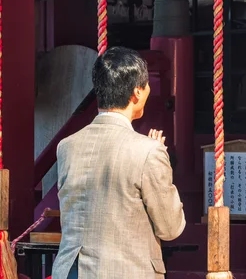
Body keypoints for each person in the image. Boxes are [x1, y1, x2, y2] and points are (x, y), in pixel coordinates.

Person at [52, 47, 186, 279]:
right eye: (146, 86)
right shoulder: (147, 151)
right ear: (136, 93)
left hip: (71, 271)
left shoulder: (67, 146)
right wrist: (160, 160)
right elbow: (170, 228)